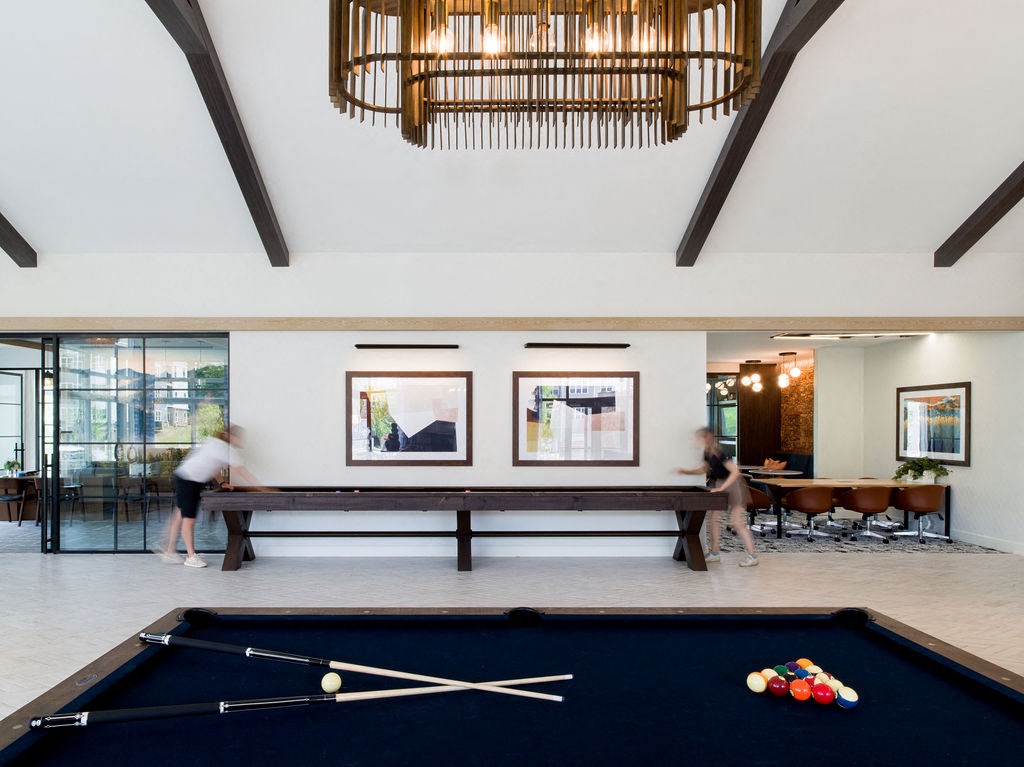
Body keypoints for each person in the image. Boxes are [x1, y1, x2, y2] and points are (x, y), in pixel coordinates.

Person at [155, 425, 263, 568]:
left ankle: (169, 550)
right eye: (240, 438)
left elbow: (213, 466)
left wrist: (222, 482)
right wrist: (261, 488)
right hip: (190, 481)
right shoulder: (225, 449)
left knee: (179, 515)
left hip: (184, 477)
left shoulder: (214, 443)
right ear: (231, 437)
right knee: (188, 520)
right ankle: (190, 556)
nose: (242, 441)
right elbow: (242, 471)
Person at [677, 427, 758, 567]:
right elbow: (705, 468)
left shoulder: (720, 452)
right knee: (713, 519)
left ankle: (753, 556)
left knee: (737, 523)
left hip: (734, 485)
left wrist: (721, 488)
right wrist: (687, 472)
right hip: (721, 484)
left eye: (699, 438)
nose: (696, 441)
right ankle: (715, 553)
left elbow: (735, 472)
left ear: (707, 437)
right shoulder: (707, 452)